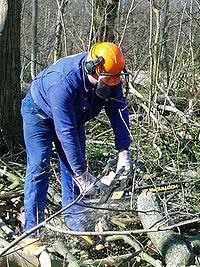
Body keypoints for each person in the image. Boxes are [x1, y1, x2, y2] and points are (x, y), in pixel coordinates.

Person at [21, 42, 132, 251]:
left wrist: (123, 152)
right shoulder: (62, 83)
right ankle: (31, 233)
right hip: (39, 114)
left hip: (74, 119)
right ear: (92, 68)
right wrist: (82, 174)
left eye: (112, 81)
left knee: (73, 171)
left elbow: (118, 108)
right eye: (105, 82)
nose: (108, 85)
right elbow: (65, 132)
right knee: (39, 167)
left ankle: (76, 226)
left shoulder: (110, 72)